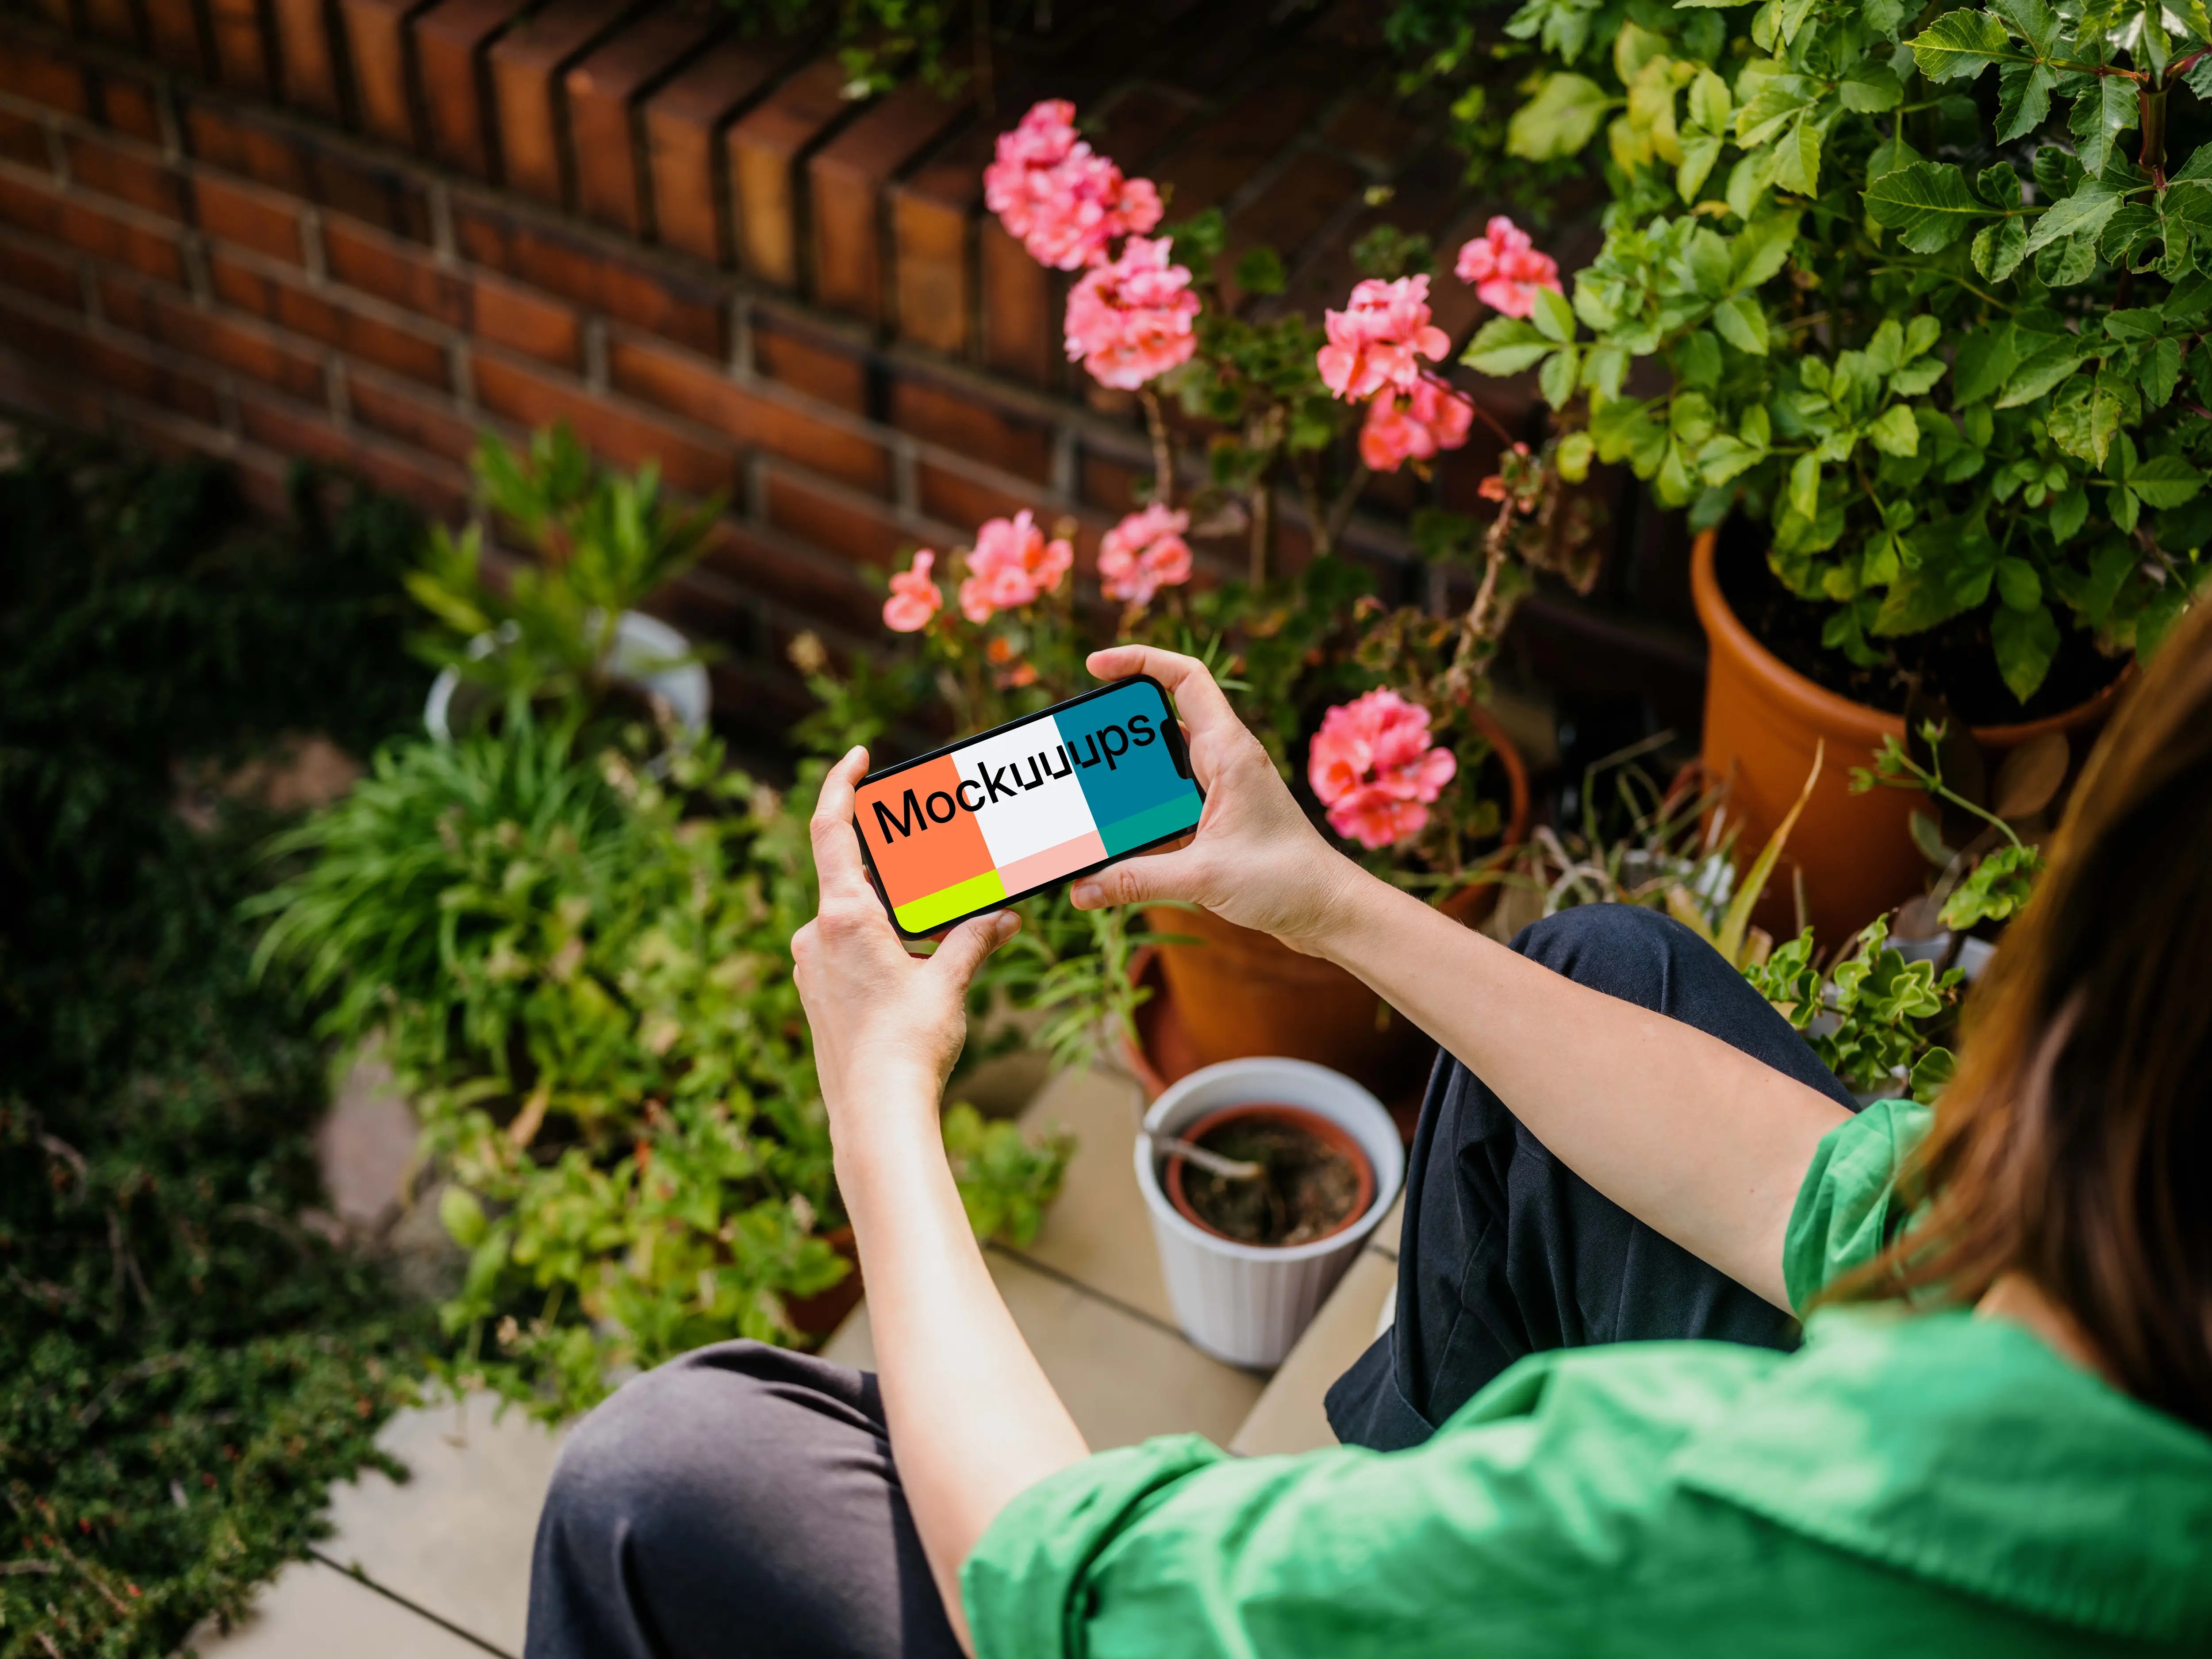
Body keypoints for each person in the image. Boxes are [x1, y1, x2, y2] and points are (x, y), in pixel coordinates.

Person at [524, 604, 2212, 1659]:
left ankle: (1339, 1571)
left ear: (2086, 993)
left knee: (669, 1479)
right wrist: (1325, 899)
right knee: (1610, 973)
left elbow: (1067, 1594)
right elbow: (1845, 1193)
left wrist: (879, 1097)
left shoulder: (1675, 1498)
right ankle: (1371, 1513)